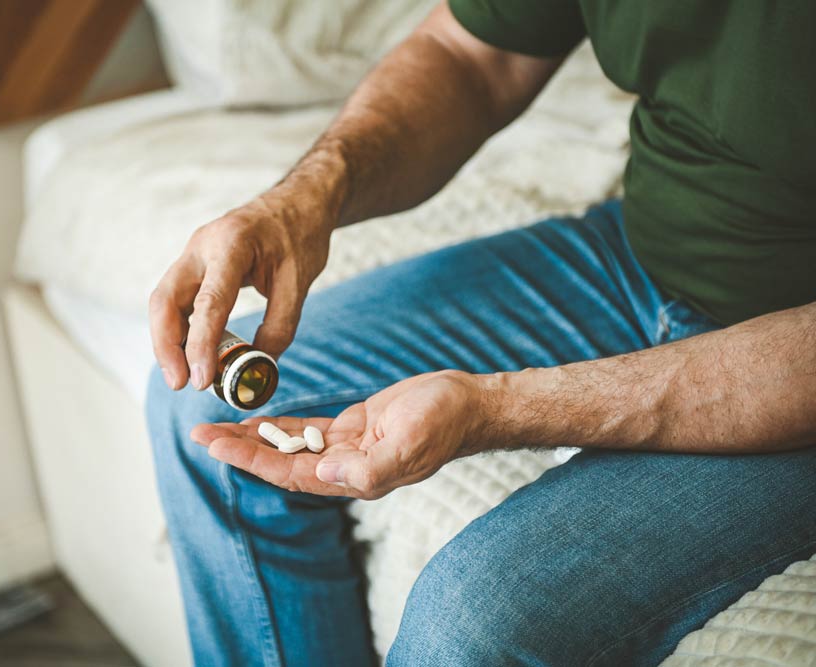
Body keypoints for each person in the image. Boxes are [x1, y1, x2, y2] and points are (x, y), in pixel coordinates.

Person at [145, 2, 816, 665]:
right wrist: (305, 198)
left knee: (464, 626)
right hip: (633, 252)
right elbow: (474, 57)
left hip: (793, 348)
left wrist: (496, 407)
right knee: (198, 404)